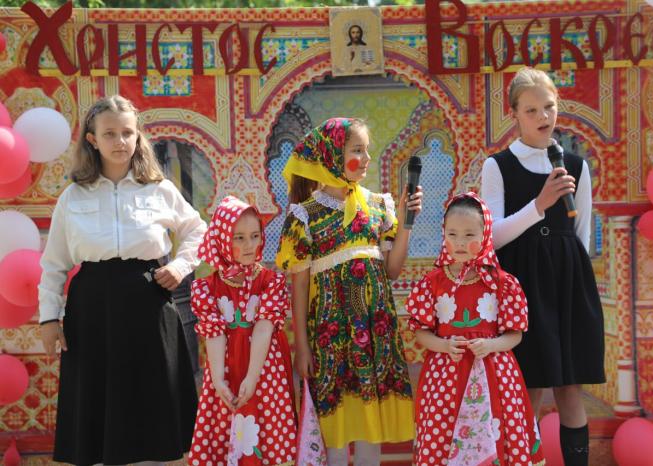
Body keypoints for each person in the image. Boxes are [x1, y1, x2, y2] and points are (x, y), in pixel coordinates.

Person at [38, 95, 206, 465]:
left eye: (127, 132)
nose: (120, 141)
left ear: (137, 136)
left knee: (152, 400)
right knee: (97, 402)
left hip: (149, 303)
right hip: (92, 308)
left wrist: (180, 267)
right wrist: (49, 318)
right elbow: (54, 264)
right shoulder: (73, 196)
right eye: (110, 133)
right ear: (92, 139)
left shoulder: (158, 188)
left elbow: (197, 231)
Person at [276, 117, 422, 465]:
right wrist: (302, 346)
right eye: (358, 150)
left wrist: (405, 222)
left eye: (367, 150)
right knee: (335, 425)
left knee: (371, 423)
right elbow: (300, 287)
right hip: (331, 337)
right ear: (331, 156)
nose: (367, 158)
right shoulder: (305, 215)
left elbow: (391, 270)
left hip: (374, 330)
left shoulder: (378, 205)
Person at [481, 66, 605, 466]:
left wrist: (570, 274)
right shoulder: (498, 166)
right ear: (514, 114)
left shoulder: (576, 166)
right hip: (521, 284)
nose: (542, 117)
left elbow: (580, 233)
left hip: (568, 281)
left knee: (570, 388)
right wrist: (539, 205)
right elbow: (492, 236)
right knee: (527, 388)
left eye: (548, 107)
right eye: (531, 110)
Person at [407, 192, 544, 466]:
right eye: (452, 234)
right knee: (442, 435)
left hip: (495, 376)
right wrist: (443, 345)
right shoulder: (431, 283)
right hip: (445, 377)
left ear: (486, 235)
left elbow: (514, 335)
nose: (459, 242)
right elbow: (420, 331)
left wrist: (492, 345)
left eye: (469, 235)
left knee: (498, 431)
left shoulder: (503, 284)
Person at [188, 196, 297, 465]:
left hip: (263, 369)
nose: (249, 245)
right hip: (226, 367)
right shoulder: (206, 288)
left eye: (254, 236)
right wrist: (218, 379)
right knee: (226, 432)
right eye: (239, 238)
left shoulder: (271, 282)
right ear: (222, 240)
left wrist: (252, 376)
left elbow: (263, 330)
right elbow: (214, 334)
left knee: (267, 435)